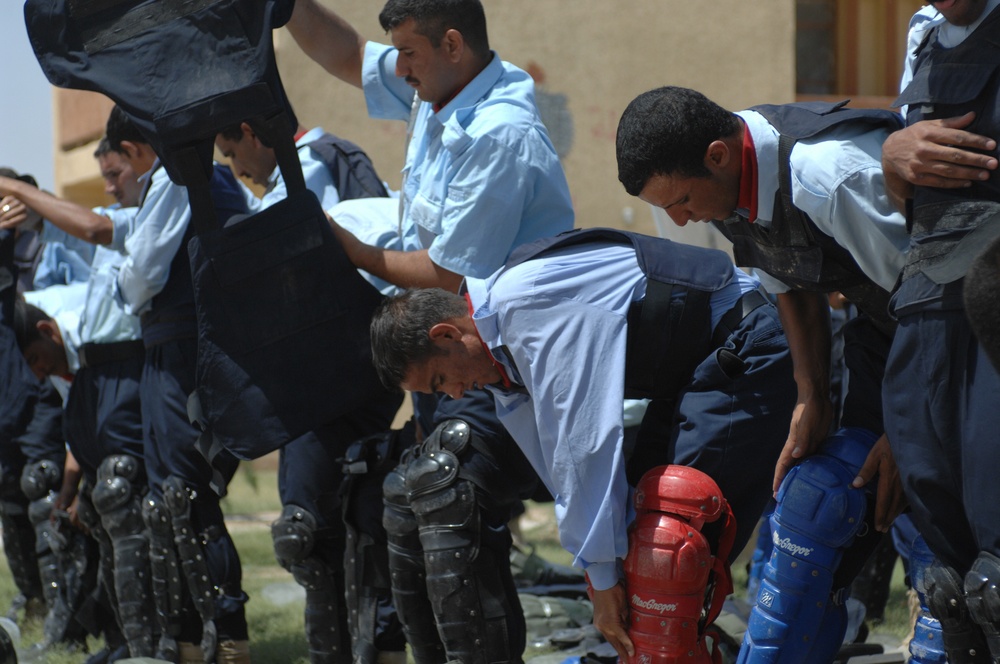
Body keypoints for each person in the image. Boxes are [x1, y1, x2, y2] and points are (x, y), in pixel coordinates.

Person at [286, 1, 574, 661]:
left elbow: (447, 272)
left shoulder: (497, 131)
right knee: (404, 506)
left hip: (493, 353)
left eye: (409, 53)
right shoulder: (437, 89)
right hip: (442, 345)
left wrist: (348, 247)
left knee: (452, 504)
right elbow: (348, 57)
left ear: (451, 43)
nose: (399, 68)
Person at [369, 227, 797, 662]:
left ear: (446, 335)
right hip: (698, 369)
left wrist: (605, 582)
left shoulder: (524, 304)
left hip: (746, 345)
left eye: (440, 381)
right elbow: (560, 470)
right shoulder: (500, 351)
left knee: (668, 548)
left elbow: (581, 447)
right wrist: (602, 573)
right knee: (634, 533)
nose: (455, 395)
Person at [615, 86, 911, 661]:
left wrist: (907, 430)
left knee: (939, 537)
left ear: (718, 155)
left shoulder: (829, 177)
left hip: (960, 333)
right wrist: (810, 396)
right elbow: (788, 284)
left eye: (679, 200)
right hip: (886, 329)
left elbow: (932, 304)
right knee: (813, 513)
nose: (680, 218)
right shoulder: (727, 186)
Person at [216, 117, 403, 663]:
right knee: (329, 531)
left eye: (232, 152)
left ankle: (374, 649)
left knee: (319, 534)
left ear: (251, 131)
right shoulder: (316, 164)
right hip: (336, 370)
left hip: (342, 370)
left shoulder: (311, 166)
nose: (236, 169)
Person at [878, 1, 1000, 661]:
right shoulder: (924, 34)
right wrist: (893, 157)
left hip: (996, 289)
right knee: (947, 572)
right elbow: (906, 195)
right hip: (929, 291)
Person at [107, 105, 251, 664]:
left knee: (185, 500)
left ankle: (228, 642)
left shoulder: (177, 177)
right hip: (187, 350)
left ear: (139, 149)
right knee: (172, 505)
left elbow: (141, 273)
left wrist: (125, 289)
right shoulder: (208, 177)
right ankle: (189, 644)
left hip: (182, 351)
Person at [2, 136, 155, 660]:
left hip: (130, 379)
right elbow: (76, 418)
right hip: (88, 396)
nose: (110, 188)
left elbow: (90, 228)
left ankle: (149, 644)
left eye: (117, 174)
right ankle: (84, 626)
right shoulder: (53, 351)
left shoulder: (87, 242)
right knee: (62, 500)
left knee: (118, 498)